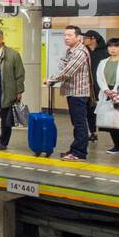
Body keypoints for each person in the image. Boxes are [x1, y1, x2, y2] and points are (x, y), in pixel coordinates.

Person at [46, 24, 93, 161]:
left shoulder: (79, 52)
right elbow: (63, 66)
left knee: (79, 123)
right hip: (73, 92)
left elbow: (68, 71)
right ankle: (75, 149)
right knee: (76, 122)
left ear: (78, 37)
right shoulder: (71, 50)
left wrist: (51, 79)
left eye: (69, 35)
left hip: (79, 93)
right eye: (64, 35)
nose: (66, 38)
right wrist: (54, 78)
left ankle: (79, 153)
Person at [82, 29, 106, 142]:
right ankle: (93, 132)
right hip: (88, 86)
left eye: (86, 38)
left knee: (108, 110)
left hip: (102, 86)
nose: (84, 40)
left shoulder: (104, 52)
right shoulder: (84, 51)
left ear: (93, 39)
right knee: (89, 110)